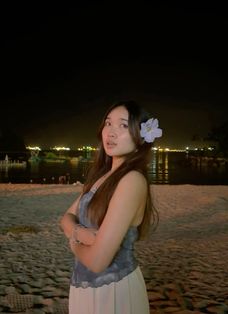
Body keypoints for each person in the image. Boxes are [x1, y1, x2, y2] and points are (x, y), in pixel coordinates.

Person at [60, 100, 162, 314]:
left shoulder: (132, 180)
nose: (111, 132)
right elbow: (66, 218)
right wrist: (86, 236)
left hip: (113, 290)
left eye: (123, 125)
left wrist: (73, 243)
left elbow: (98, 261)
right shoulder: (103, 176)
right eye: (108, 123)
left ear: (140, 139)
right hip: (83, 285)